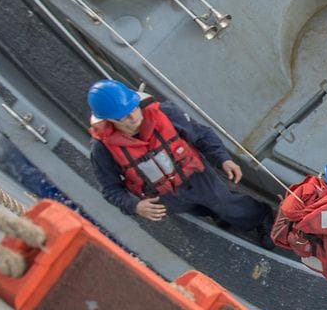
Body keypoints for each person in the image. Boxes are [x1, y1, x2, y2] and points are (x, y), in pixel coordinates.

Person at [86, 79, 274, 247]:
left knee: (224, 202)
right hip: (164, 195)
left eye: (133, 108)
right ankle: (217, 214)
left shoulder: (165, 112)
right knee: (200, 209)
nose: (133, 118)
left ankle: (261, 216)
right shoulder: (102, 149)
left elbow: (201, 134)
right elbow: (110, 189)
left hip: (196, 176)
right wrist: (134, 206)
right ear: (109, 120)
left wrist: (223, 158)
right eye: (123, 117)